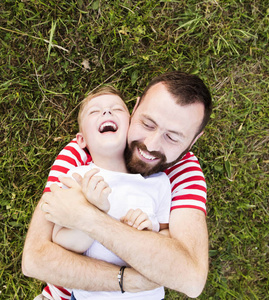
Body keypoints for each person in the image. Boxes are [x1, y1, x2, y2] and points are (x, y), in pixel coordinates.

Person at [22, 71, 213, 299]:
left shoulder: (184, 171)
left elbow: (190, 279)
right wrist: (128, 280)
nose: (150, 145)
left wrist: (89, 218)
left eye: (172, 137)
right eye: (147, 123)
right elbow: (35, 259)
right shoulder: (85, 149)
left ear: (194, 140)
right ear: (135, 108)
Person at [43, 87, 171, 299]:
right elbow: (61, 243)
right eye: (95, 112)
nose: (106, 113)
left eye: (117, 109)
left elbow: (168, 240)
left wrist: (150, 231)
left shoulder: (158, 183)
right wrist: (90, 213)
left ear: (130, 127)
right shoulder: (76, 178)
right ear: (81, 140)